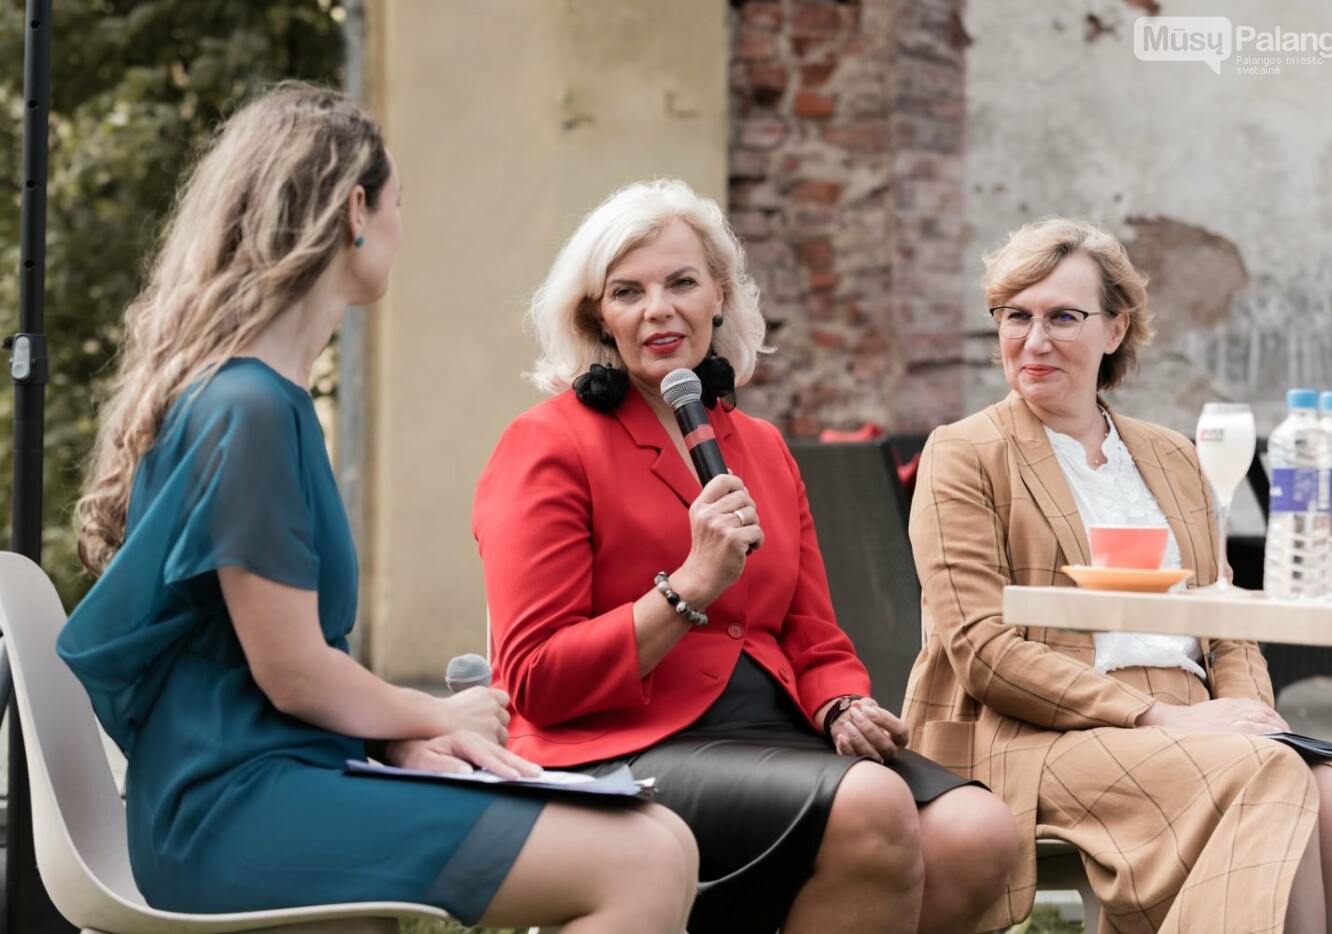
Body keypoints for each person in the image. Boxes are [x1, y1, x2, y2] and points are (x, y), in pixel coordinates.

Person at [57, 84, 697, 934]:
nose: (402, 226)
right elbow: (292, 670)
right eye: (397, 204)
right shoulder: (246, 411)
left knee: (654, 838)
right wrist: (438, 713)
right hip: (233, 809)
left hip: (272, 779)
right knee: (646, 856)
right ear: (356, 210)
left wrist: (399, 740)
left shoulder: (255, 399)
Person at [473, 177, 1018, 934]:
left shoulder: (755, 444)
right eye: (627, 291)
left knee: (978, 835)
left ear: (719, 295)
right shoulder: (546, 443)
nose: (658, 309)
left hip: (773, 728)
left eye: (681, 282)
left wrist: (839, 699)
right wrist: (688, 586)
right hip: (615, 745)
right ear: (598, 316)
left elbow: (811, 630)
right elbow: (533, 678)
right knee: (870, 803)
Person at [902, 216, 1332, 934]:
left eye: (1063, 317)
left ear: (1115, 329)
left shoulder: (1171, 456)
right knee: (1268, 777)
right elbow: (983, 650)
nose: (1034, 341)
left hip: (1191, 719)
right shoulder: (965, 452)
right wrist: (1169, 718)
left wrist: (1254, 717)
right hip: (1032, 733)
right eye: (1016, 316)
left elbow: (1228, 631)